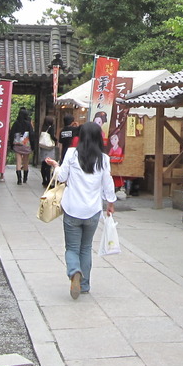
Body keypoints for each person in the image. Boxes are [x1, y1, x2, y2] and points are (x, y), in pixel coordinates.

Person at [45, 122, 116, 299]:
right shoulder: (104, 159)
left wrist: (55, 165)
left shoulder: (71, 154)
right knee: (86, 247)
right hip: (92, 210)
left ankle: (74, 271)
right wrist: (110, 203)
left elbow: (61, 177)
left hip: (72, 209)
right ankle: (84, 285)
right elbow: (108, 183)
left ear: (81, 136)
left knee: (72, 248)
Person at [9, 109, 34, 185]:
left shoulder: (16, 123)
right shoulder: (28, 124)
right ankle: (25, 178)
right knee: (26, 162)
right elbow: (32, 135)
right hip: (26, 145)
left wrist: (11, 145)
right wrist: (33, 146)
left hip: (17, 145)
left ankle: (19, 179)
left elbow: (11, 134)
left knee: (18, 163)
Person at [38, 114, 58, 187]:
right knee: (48, 165)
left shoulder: (43, 128)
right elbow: (52, 136)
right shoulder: (51, 128)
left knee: (43, 164)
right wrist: (56, 140)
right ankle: (49, 181)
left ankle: (44, 180)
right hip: (49, 147)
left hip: (43, 146)